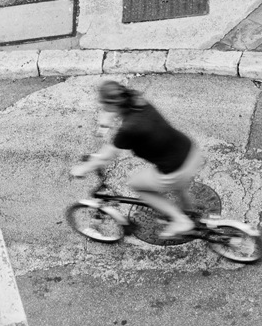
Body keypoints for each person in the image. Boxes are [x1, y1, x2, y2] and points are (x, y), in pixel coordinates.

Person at [71, 80, 202, 238]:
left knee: (137, 184)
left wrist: (82, 169)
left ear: (111, 104)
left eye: (103, 104)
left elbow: (107, 155)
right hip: (189, 151)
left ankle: (181, 221)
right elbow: (114, 110)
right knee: (178, 184)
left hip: (175, 168)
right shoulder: (139, 102)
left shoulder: (129, 129)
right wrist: (105, 123)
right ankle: (188, 210)